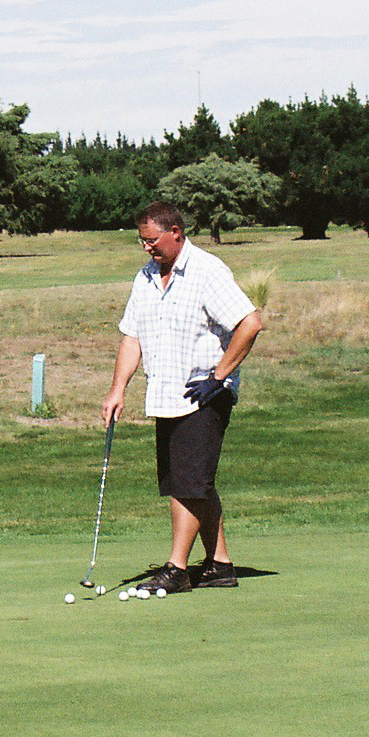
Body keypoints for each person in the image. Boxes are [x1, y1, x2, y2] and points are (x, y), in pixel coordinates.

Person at [101, 201, 264, 594]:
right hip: (165, 394)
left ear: (176, 231)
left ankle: (177, 567)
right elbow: (132, 336)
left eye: (152, 240)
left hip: (203, 394)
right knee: (191, 479)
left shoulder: (207, 271)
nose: (146, 248)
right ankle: (220, 564)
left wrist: (218, 376)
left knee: (188, 482)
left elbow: (250, 322)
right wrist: (118, 387)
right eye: (142, 241)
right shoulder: (145, 278)